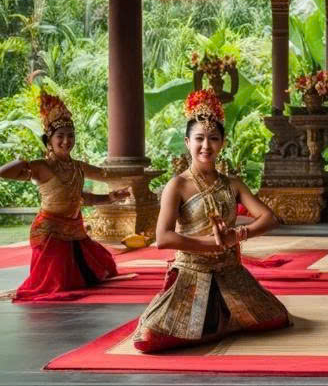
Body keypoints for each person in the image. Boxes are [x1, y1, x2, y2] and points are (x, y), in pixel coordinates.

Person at [133, 89, 289, 352]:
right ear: (187, 141)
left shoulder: (233, 184)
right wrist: (209, 244)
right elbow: (163, 238)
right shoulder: (177, 185)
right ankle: (223, 324)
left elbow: (269, 218)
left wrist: (237, 235)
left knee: (276, 319)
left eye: (213, 138)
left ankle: (221, 323)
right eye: (199, 138)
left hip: (230, 271)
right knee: (148, 339)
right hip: (192, 273)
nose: (206, 146)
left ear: (223, 143)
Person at [0, 90, 129, 301]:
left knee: (104, 267)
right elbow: (3, 173)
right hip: (51, 234)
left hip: (75, 232)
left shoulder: (77, 167)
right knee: (60, 285)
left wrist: (110, 197)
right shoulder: (41, 167)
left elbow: (83, 196)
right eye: (60, 137)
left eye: (71, 136)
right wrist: (20, 163)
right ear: (49, 140)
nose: (66, 141)